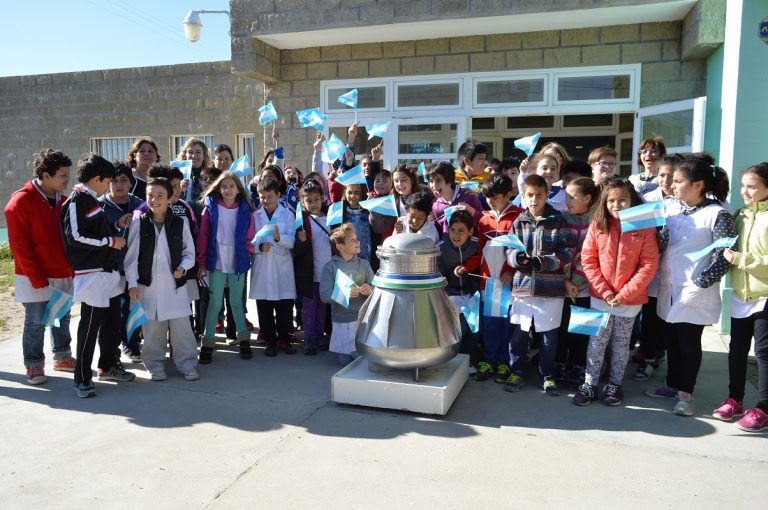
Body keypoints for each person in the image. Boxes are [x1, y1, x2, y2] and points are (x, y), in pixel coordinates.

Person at [645, 153, 735, 417]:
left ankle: (686, 393)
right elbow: (662, 244)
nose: (672, 186)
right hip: (669, 287)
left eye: (678, 181)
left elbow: (725, 254)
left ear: (698, 185)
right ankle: (672, 385)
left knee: (688, 343)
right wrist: (660, 237)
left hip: (695, 291)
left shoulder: (717, 213)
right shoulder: (671, 207)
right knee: (670, 339)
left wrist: (703, 281)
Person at [573, 178, 659, 406]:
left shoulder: (644, 226)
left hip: (629, 300)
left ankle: (614, 384)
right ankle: (590, 383)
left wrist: (624, 294)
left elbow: (648, 264)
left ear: (633, 201)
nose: (617, 205)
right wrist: (605, 291)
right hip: (600, 297)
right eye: (611, 200)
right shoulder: (598, 224)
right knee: (596, 342)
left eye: (623, 200)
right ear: (604, 202)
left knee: (621, 344)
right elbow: (588, 259)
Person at [61, 153, 135, 398]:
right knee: (90, 327)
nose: (109, 187)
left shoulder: (91, 199)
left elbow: (95, 232)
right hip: (91, 275)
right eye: (107, 181)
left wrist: (116, 228)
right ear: (96, 179)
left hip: (108, 272)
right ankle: (81, 377)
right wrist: (109, 240)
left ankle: (108, 364)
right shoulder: (76, 200)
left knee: (112, 323)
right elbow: (75, 237)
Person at [5, 149, 76, 385]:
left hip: (62, 273)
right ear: (46, 176)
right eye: (63, 175)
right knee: (35, 322)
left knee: (59, 318)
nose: (67, 179)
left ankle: (62, 356)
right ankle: (34, 365)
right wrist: (35, 276)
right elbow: (20, 247)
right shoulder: (20, 202)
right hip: (35, 277)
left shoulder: (64, 202)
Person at [124, 177, 199, 381]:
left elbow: (189, 253)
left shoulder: (179, 222)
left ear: (169, 199)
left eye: (160, 196)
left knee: (181, 327)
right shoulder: (138, 223)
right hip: (147, 286)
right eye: (150, 195)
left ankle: (187, 363)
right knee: (152, 328)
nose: (155, 200)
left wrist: (183, 268)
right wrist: (132, 284)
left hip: (175, 286)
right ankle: (155, 364)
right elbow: (130, 258)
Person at [713, 162, 768, 431]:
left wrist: (741, 260)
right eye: (743, 186)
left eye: (753, 186)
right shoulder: (740, 215)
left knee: (763, 353)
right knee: (736, 352)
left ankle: (764, 408)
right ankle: (735, 399)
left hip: (765, 295)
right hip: (740, 295)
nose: (745, 191)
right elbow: (726, 248)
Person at [506, 174, 572, 396]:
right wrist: (517, 258)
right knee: (519, 334)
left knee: (548, 336)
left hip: (550, 289)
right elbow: (509, 249)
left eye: (539, 195)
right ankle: (517, 371)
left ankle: (548, 376)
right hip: (523, 288)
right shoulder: (518, 221)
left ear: (547, 195)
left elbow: (566, 253)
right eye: (530, 195)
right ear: (523, 196)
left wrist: (543, 262)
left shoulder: (558, 220)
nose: (534, 200)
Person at [196, 171, 255, 363]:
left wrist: (252, 250)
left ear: (239, 189)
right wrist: (202, 261)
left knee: (236, 302)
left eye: (231, 186)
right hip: (217, 261)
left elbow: (250, 236)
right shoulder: (210, 208)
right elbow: (204, 236)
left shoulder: (245, 209)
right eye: (224, 186)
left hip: (238, 261)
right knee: (214, 304)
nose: (227, 189)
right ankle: (208, 343)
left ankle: (244, 340)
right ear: (218, 189)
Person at [632, 154, 682, 379]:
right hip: (647, 268)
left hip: (673, 270)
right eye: (662, 175)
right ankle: (648, 352)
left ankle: (655, 356)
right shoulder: (646, 198)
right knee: (650, 315)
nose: (665, 180)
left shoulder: (684, 203)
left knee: (666, 319)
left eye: (671, 176)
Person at [474, 174, 521, 383]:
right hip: (489, 281)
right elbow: (479, 250)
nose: (490, 201)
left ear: (508, 194)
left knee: (507, 323)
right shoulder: (484, 219)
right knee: (490, 323)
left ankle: (504, 362)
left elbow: (521, 251)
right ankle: (489, 360)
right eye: (487, 197)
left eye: (495, 197)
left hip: (509, 282)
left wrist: (512, 271)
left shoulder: (519, 216)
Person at [555, 176, 599, 389]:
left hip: (587, 289)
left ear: (588, 198)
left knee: (583, 332)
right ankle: (560, 365)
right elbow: (561, 252)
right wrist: (565, 281)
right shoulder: (563, 218)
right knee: (562, 330)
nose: (567, 201)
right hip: (563, 288)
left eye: (572, 196)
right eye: (566, 196)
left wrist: (576, 281)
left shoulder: (597, 221)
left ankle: (580, 367)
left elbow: (590, 255)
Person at [99, 162, 144, 363]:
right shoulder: (99, 205)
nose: (119, 185)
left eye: (124, 180)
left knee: (134, 308)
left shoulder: (140, 204)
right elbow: (96, 235)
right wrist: (116, 225)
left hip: (134, 267)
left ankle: (132, 344)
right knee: (112, 314)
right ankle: (110, 354)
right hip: (110, 268)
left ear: (131, 182)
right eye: (114, 181)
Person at [250, 178, 297, 357]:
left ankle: (284, 339)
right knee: (264, 309)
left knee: (285, 307)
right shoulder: (256, 216)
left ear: (278, 195)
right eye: (262, 197)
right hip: (262, 267)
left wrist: (279, 239)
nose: (266, 200)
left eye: (270, 196)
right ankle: (270, 341)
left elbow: (292, 242)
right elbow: (250, 242)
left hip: (282, 267)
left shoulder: (288, 215)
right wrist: (260, 247)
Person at [319, 224, 375, 365]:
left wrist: (371, 289)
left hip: (363, 320)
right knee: (345, 362)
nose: (358, 242)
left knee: (359, 359)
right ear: (340, 247)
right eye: (352, 240)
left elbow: (376, 287)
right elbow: (324, 295)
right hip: (342, 321)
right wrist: (344, 293)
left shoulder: (364, 264)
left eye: (356, 239)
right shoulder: (330, 267)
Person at [436, 210, 482, 367]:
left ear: (470, 231)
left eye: (461, 230)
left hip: (471, 293)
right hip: (451, 294)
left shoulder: (476, 245)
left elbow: (478, 269)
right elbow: (438, 272)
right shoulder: (441, 248)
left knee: (474, 328)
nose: (456, 235)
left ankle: (467, 359)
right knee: (459, 328)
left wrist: (474, 294)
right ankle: (455, 360)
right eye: (452, 230)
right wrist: (442, 280)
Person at [294, 181, 332, 355]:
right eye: (309, 200)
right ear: (303, 202)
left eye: (316, 199)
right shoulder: (302, 222)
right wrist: (301, 241)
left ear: (323, 198)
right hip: (309, 273)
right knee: (309, 307)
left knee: (322, 306)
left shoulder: (331, 218)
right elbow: (296, 251)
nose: (314, 203)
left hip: (327, 273)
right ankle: (309, 337)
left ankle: (319, 334)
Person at [428, 162, 483, 235]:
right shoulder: (435, 205)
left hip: (471, 244)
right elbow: (439, 233)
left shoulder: (469, 196)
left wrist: (472, 211)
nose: (434, 185)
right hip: (448, 245)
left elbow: (485, 222)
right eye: (431, 181)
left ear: (449, 181)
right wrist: (430, 223)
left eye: (439, 180)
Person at [341, 183, 372, 262]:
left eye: (356, 193)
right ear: (345, 193)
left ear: (361, 194)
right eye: (350, 192)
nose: (352, 196)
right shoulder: (341, 213)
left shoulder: (367, 212)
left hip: (366, 257)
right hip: (348, 258)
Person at [178, 137, 212, 209]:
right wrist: (180, 190)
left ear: (204, 156)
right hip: (185, 214)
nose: (194, 156)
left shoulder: (211, 176)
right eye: (190, 152)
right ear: (185, 155)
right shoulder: (178, 175)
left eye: (198, 152)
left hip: (204, 215)